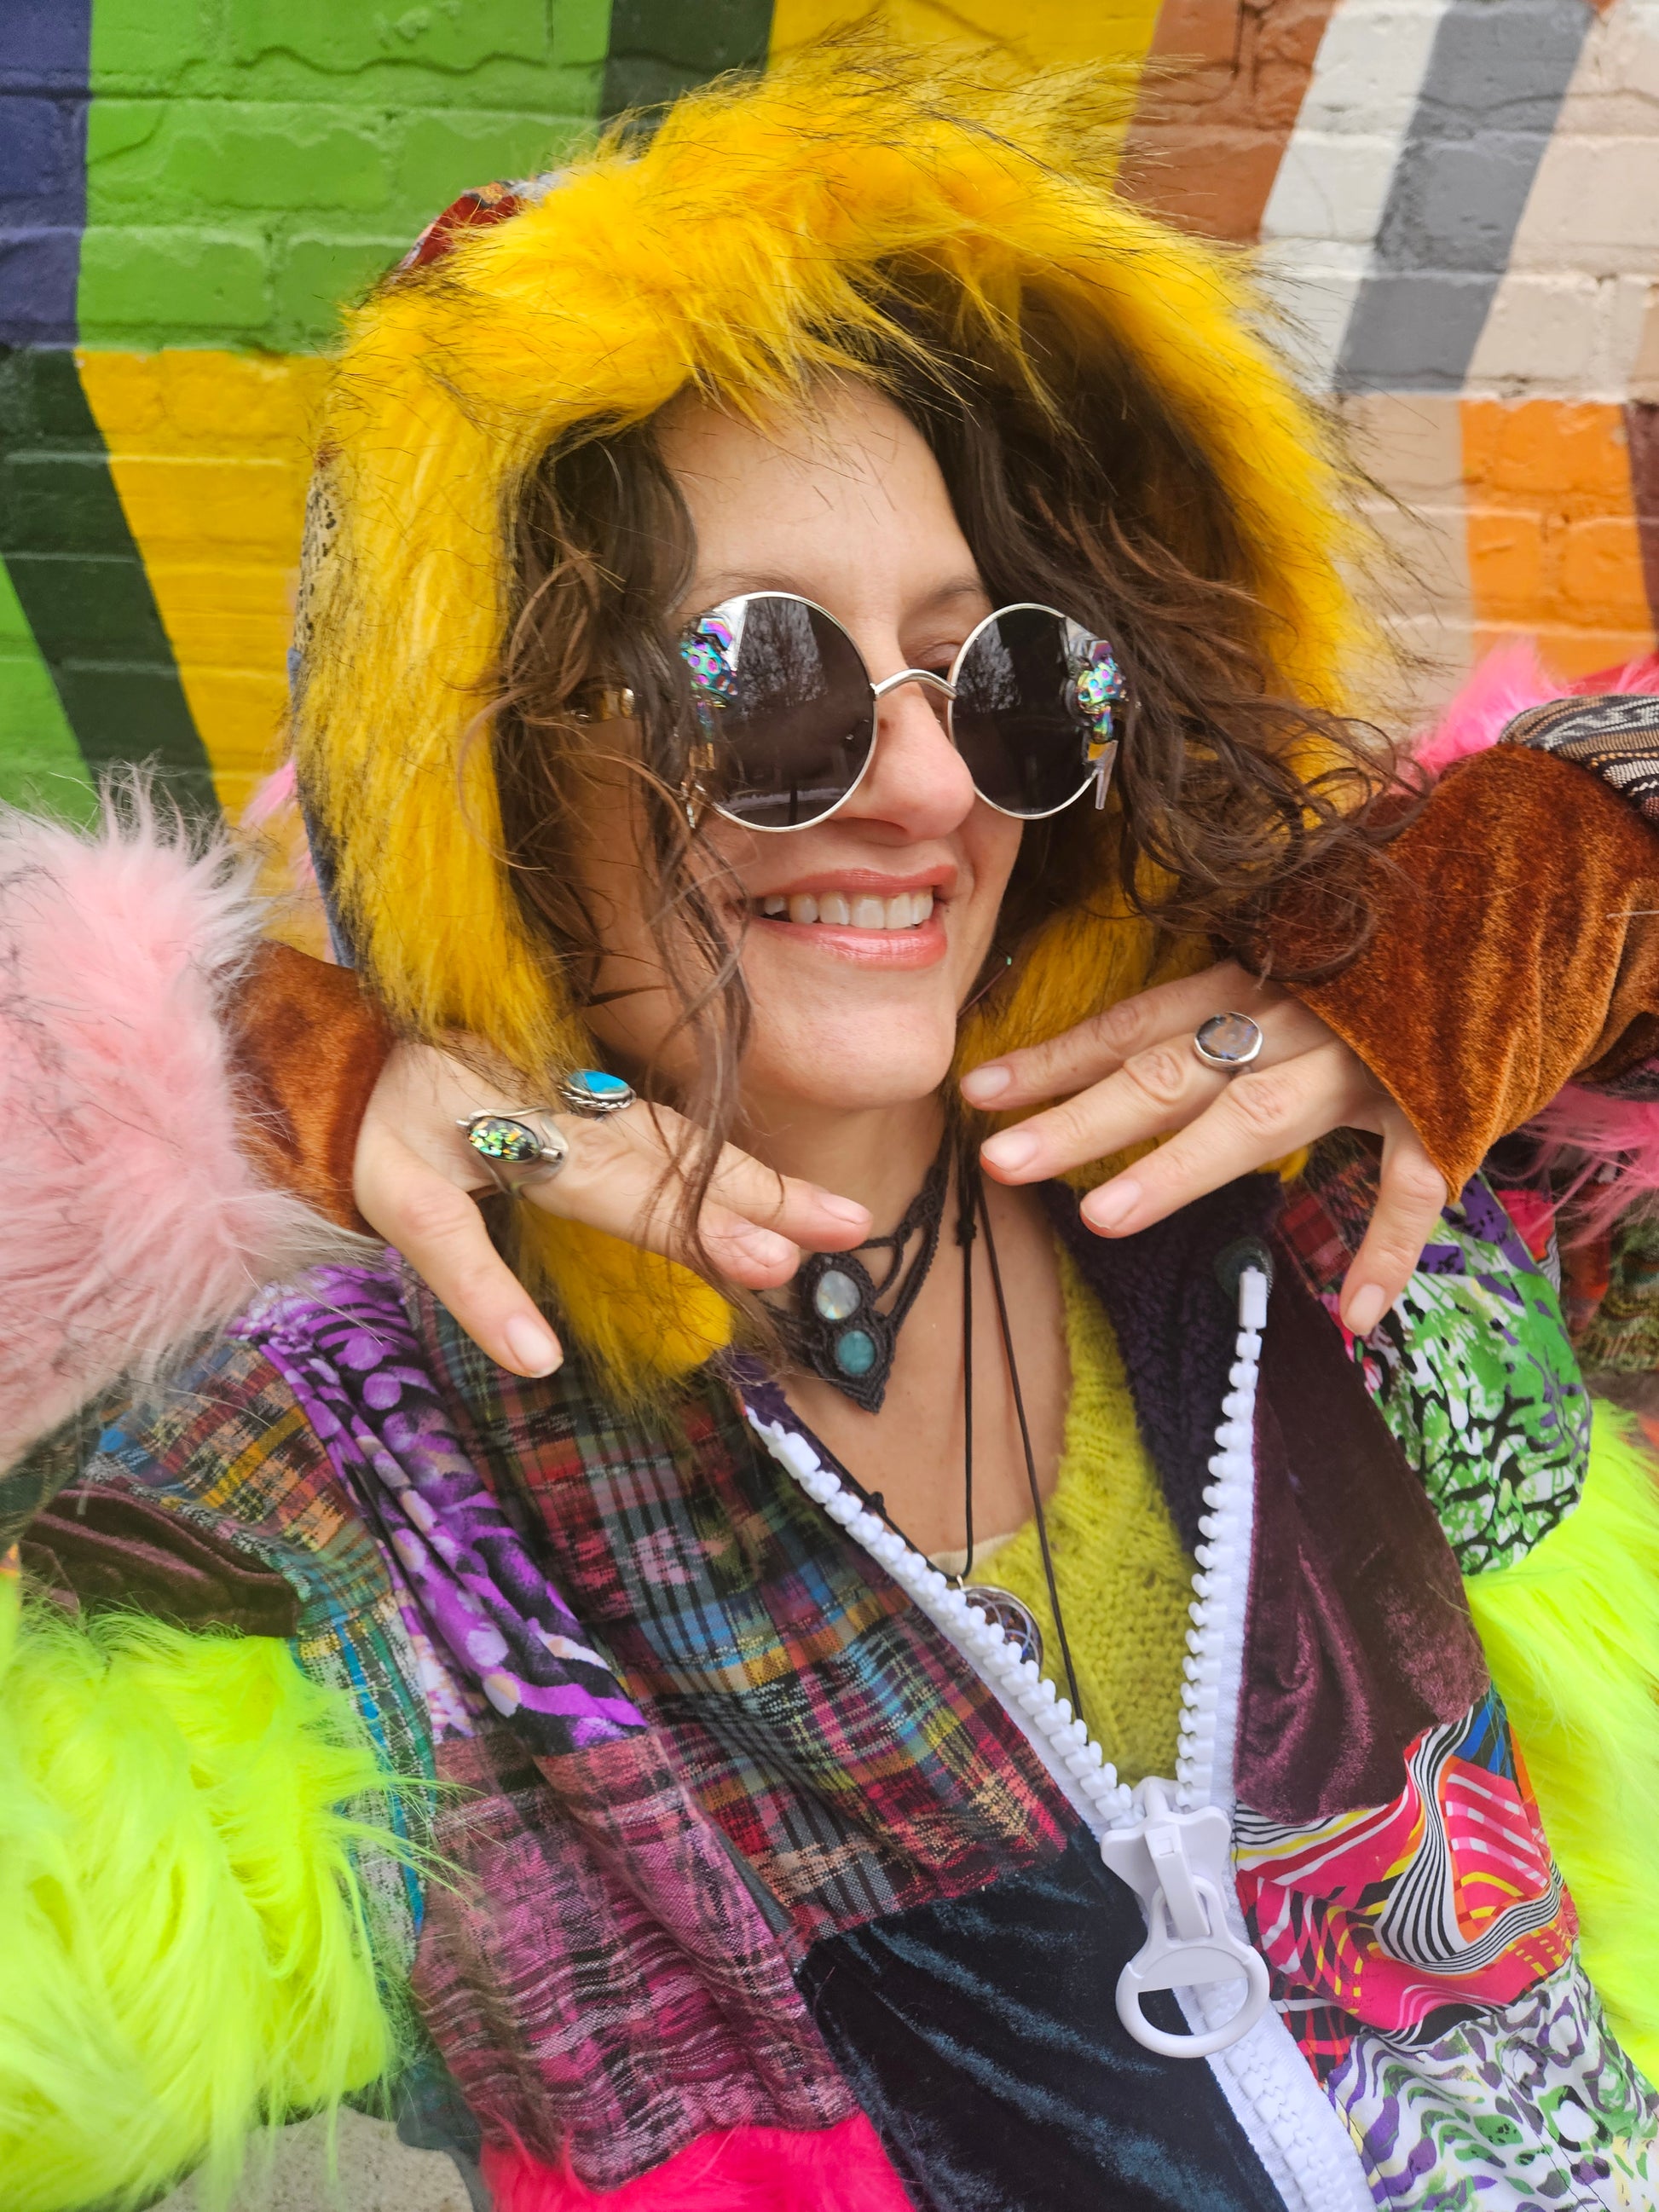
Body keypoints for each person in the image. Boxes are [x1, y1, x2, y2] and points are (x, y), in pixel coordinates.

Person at [4, 47, 1659, 2212]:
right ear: (498, 761)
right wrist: (199, 1068)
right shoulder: (376, 1494)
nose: (929, 784)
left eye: (1000, 677)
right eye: (759, 679)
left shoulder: (1338, 1212)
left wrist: (1560, 879)